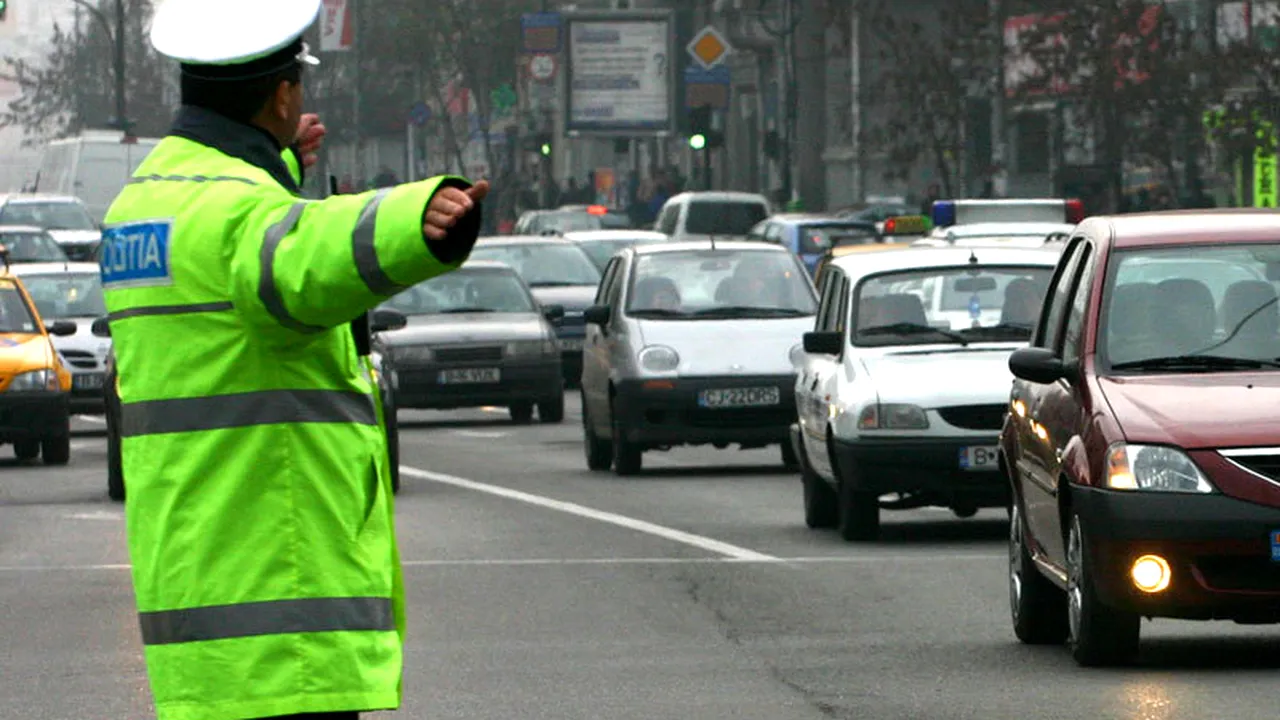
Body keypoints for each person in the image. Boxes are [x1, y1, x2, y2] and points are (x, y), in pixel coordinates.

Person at [98, 1, 488, 719]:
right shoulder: (242, 214)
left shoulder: (139, 204)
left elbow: (236, 250)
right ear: (282, 96)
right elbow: (306, 255)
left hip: (198, 594)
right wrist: (421, 218)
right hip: (281, 621)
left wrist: (271, 161)